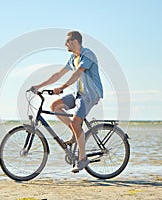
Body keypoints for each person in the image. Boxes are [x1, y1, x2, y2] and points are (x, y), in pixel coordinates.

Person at [31, 31, 103, 173]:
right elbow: (58, 74)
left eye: (67, 42)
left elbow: (78, 73)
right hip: (79, 93)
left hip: (90, 94)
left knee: (76, 123)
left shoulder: (87, 54)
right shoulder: (73, 58)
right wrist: (39, 86)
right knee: (55, 106)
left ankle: (83, 159)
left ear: (75, 41)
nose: (65, 44)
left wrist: (63, 87)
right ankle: (76, 133)